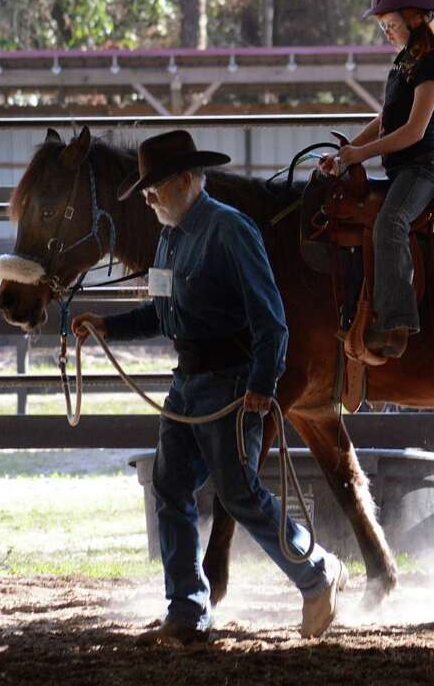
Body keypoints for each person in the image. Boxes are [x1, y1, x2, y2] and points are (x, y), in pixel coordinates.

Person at [72, 130, 347, 646]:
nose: (147, 198)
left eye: (154, 187)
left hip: (231, 384)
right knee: (171, 487)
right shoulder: (170, 237)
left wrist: (263, 383)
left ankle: (317, 571)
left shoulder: (231, 230)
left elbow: (271, 318)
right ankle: (187, 610)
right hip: (188, 385)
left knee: (240, 493)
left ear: (185, 180)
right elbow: (161, 311)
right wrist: (109, 327)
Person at [318, 0, 434, 360]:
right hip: (402, 169)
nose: (387, 32)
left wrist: (359, 155)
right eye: (383, 26)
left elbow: (413, 131)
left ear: (415, 18)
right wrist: (345, 153)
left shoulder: (431, 66)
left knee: (390, 223)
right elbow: (385, 119)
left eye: (391, 24)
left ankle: (396, 321)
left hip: (423, 166)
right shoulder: (404, 63)